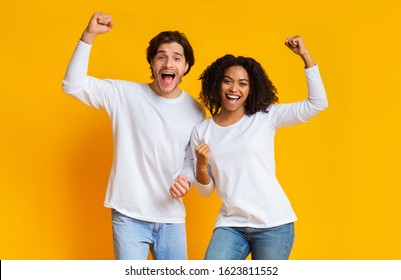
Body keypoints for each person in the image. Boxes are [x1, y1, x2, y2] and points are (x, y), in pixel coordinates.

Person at [62, 12, 205, 260]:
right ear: (152, 63)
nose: (168, 64)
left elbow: (191, 160)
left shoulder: (195, 110)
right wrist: (89, 36)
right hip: (128, 215)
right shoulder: (123, 94)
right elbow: (72, 85)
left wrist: (186, 179)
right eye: (161, 57)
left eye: (176, 58)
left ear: (186, 67)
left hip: (171, 218)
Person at [191, 35, 328, 260]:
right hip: (231, 224)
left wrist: (305, 57)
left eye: (242, 83)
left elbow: (317, 103)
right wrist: (202, 165)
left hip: (273, 225)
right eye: (227, 81)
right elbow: (206, 191)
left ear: (250, 89)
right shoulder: (202, 131)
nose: (234, 88)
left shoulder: (265, 117)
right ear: (217, 84)